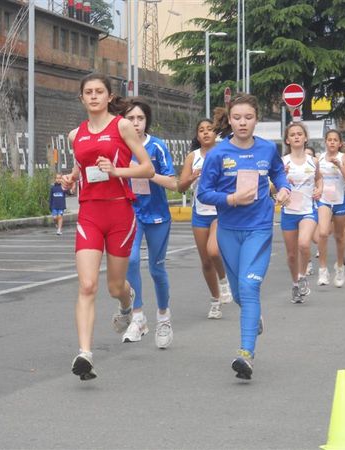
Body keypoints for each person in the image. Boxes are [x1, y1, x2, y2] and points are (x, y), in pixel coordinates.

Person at [61, 73, 155, 381]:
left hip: (119, 212)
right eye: (87, 92)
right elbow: (81, 165)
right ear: (81, 98)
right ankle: (85, 354)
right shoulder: (76, 134)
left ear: (109, 95)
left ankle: (127, 305)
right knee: (88, 285)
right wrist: (71, 177)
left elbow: (147, 167)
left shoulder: (122, 126)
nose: (93, 96)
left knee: (115, 286)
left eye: (99, 91)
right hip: (89, 212)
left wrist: (116, 171)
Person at [197, 94, 291, 380]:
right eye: (237, 117)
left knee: (250, 289)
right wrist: (232, 199)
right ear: (230, 118)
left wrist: (283, 189)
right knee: (239, 293)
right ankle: (253, 315)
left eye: (248, 117)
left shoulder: (267, 149)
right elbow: (203, 193)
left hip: (260, 228)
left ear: (256, 119)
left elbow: (278, 173)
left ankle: (246, 353)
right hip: (228, 230)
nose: (242, 123)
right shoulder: (218, 153)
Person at [120, 99, 177, 348]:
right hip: (129, 213)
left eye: (140, 118)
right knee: (130, 260)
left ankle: (163, 317)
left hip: (157, 215)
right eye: (130, 118)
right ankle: (138, 316)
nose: (135, 123)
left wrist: (146, 171)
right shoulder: (119, 146)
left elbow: (173, 183)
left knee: (156, 269)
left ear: (146, 121)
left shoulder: (157, 146)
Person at [178, 119, 233, 320]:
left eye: (209, 129)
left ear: (215, 133)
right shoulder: (192, 157)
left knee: (214, 251)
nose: (206, 133)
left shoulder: (223, 153)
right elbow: (181, 186)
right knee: (206, 261)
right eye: (201, 130)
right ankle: (215, 300)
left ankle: (224, 280)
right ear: (197, 135)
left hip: (220, 212)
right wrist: (191, 177)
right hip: (200, 213)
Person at [280, 123, 322, 304]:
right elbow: (273, 186)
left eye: (300, 134)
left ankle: (303, 276)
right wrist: (281, 177)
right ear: (287, 140)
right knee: (291, 255)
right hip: (289, 211)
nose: (296, 137)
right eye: (293, 135)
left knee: (304, 244)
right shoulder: (282, 162)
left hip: (308, 210)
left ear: (305, 138)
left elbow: (319, 179)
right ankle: (295, 284)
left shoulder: (313, 161)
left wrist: (319, 189)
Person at [316, 130, 345, 287]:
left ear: (340, 143)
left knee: (339, 236)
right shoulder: (318, 158)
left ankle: (339, 267)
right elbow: (315, 178)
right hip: (324, 200)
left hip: (340, 200)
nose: (332, 142)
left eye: (335, 140)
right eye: (329, 140)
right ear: (325, 142)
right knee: (323, 232)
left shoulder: (344, 158)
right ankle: (323, 270)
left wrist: (339, 166)